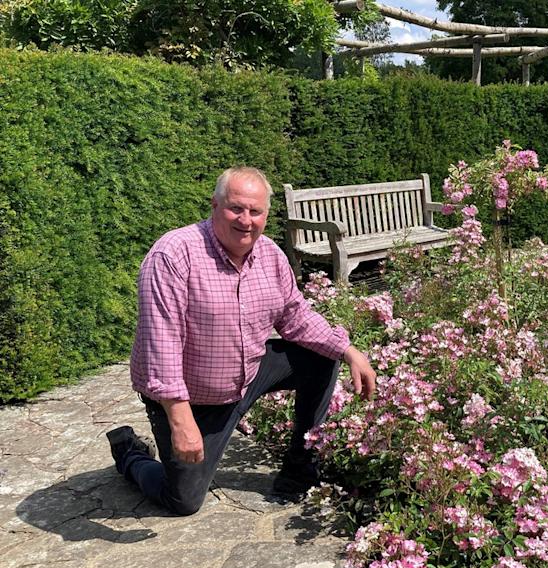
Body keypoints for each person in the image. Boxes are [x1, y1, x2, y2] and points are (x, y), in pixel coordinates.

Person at [106, 166, 376, 516]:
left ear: (265, 215)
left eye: (256, 211)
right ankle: (129, 453)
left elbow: (294, 315)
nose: (246, 220)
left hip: (247, 375)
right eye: (236, 208)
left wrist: (348, 349)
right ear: (215, 205)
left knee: (321, 358)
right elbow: (161, 343)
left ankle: (299, 469)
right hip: (193, 395)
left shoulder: (270, 255)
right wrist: (180, 419)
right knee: (183, 500)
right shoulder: (173, 255)